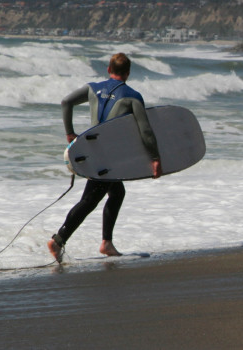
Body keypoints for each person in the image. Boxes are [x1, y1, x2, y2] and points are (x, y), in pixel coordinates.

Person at [47, 53, 162, 262]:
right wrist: (154, 158)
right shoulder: (133, 96)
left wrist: (70, 134)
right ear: (127, 73)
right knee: (89, 200)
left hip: (92, 150)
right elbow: (145, 130)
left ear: (108, 70)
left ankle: (106, 243)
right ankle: (58, 240)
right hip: (109, 158)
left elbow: (66, 102)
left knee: (117, 193)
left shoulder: (93, 89)